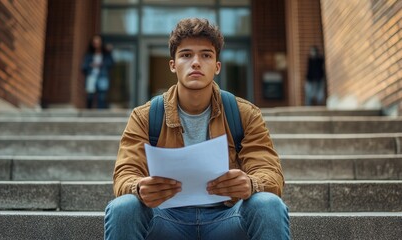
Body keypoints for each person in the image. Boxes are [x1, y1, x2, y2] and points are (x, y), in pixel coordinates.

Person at [105, 18, 290, 240]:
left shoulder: (244, 114)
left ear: (217, 66)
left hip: (227, 219)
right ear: (173, 65)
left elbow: (271, 174)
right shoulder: (145, 116)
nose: (195, 63)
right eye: (186, 55)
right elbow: (125, 175)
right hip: (165, 219)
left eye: (206, 55)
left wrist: (251, 184)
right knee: (123, 207)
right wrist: (138, 188)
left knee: (268, 203)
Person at [81, 34, 114, 109]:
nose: (96, 44)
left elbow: (111, 63)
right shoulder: (89, 55)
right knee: (90, 96)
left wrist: (101, 64)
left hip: (102, 76)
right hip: (91, 76)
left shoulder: (106, 54)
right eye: (95, 42)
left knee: (101, 96)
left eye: (98, 42)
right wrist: (91, 65)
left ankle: (100, 112)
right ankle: (88, 113)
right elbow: (83, 67)